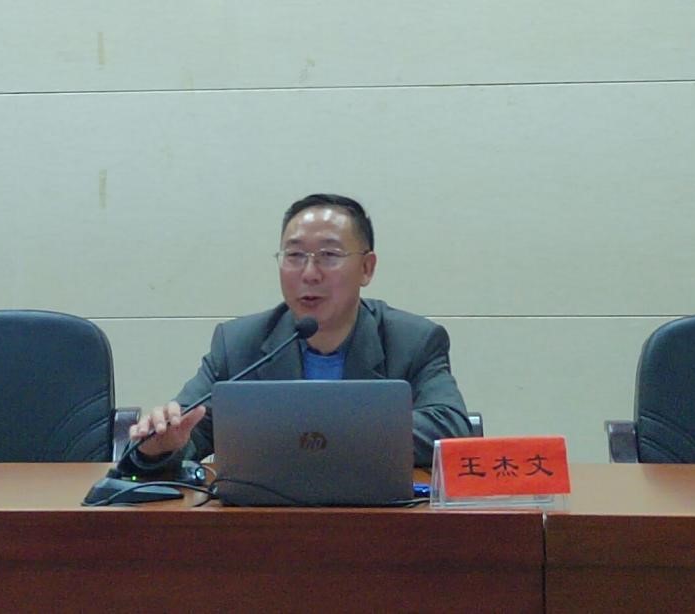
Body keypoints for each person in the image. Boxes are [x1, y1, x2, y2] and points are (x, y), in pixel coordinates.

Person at [128, 193, 471, 469]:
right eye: (294, 255)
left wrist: (315, 431)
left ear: (366, 268)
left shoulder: (412, 340)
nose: (309, 273)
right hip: (266, 520)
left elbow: (450, 429)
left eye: (329, 255)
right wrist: (160, 447)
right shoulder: (240, 344)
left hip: (377, 517)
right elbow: (192, 431)